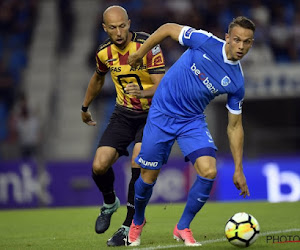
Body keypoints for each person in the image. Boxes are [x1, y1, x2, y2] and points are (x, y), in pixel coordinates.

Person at [127, 16, 255, 246]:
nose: (241, 46)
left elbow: (235, 126)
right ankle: (137, 221)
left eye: (247, 42)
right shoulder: (204, 41)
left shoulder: (236, 82)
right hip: (161, 115)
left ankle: (182, 227)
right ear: (227, 38)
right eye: (237, 40)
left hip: (192, 121)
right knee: (147, 178)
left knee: (209, 171)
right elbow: (167, 28)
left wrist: (238, 168)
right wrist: (139, 54)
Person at [80, 5, 165, 247]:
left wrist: (144, 91)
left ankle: (129, 225)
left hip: (153, 114)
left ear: (129, 23)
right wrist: (85, 108)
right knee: (99, 165)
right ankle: (110, 203)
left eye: (123, 26)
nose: (119, 32)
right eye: (113, 28)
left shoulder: (147, 44)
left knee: (137, 159)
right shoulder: (104, 53)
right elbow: (98, 78)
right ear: (104, 28)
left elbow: (163, 84)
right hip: (124, 114)